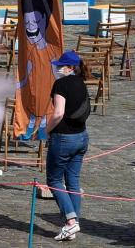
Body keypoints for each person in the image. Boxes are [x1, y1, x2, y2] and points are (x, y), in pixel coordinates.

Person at [46, 51, 90, 242]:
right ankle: (73, 224)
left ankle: (71, 222)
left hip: (63, 138)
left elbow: (58, 113)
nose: (57, 68)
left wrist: (46, 130)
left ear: (70, 67)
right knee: (73, 181)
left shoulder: (61, 84)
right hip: (82, 137)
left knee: (54, 180)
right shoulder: (82, 83)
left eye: (61, 65)